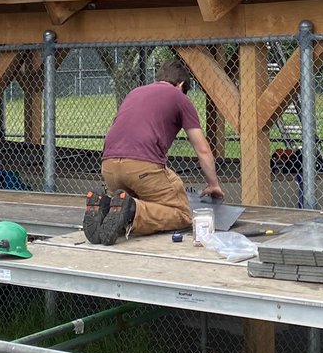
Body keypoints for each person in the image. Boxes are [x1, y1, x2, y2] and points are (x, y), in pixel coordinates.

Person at [85, 58, 223, 245]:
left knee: (131, 197)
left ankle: (107, 206)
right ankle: (132, 210)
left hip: (108, 167)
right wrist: (213, 183)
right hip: (141, 167)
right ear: (181, 84)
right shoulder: (179, 97)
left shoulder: (134, 92)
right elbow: (202, 148)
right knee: (181, 212)